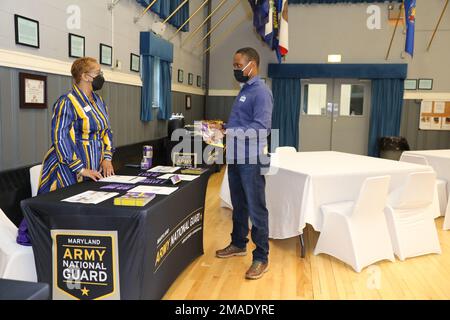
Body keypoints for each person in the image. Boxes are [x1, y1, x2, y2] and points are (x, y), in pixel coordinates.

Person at [17, 57, 115, 245]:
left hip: (94, 166)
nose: (101, 76)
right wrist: (80, 168)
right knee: (65, 214)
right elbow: (60, 138)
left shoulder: (100, 102)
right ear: (85, 76)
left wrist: (107, 158)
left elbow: (107, 132)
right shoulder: (66, 102)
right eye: (98, 73)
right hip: (67, 168)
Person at [215, 47, 273, 280]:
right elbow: (241, 124)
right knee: (239, 205)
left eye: (239, 65)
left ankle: (261, 257)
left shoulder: (261, 92)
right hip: (236, 157)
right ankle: (238, 244)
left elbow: (262, 128)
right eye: (234, 65)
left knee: (256, 209)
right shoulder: (244, 90)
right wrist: (224, 130)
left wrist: (232, 131)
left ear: (253, 65)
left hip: (252, 158)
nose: (235, 69)